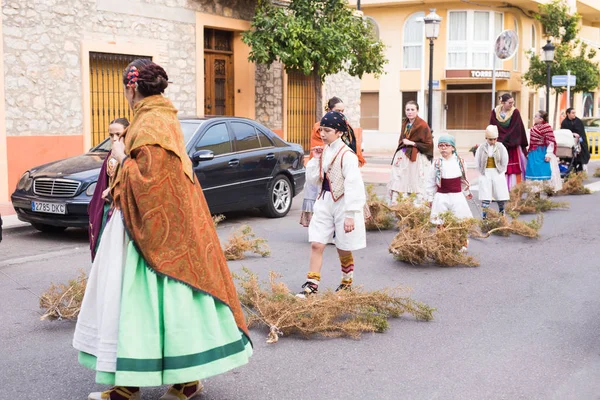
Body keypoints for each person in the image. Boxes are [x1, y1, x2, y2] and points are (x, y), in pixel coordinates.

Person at [74, 59, 252, 400]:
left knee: (140, 301)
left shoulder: (151, 121)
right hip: (152, 222)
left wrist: (120, 158)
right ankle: (137, 384)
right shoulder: (162, 116)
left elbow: (151, 179)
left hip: (150, 230)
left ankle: (165, 383)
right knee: (154, 303)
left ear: (130, 87)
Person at [297, 111, 366, 297]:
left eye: (327, 130)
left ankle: (346, 282)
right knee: (317, 243)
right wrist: (316, 159)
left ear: (339, 132)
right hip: (324, 200)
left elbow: (354, 185)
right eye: (321, 130)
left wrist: (350, 214)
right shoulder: (324, 151)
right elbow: (313, 180)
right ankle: (312, 284)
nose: (322, 134)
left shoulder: (348, 156)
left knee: (343, 246)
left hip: (343, 202)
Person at [299, 97, 365, 227]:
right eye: (337, 110)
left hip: (342, 167)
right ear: (329, 110)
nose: (341, 113)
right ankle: (323, 231)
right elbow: (320, 145)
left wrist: (353, 157)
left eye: (343, 110)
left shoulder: (346, 126)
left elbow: (353, 144)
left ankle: (342, 227)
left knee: (347, 195)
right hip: (325, 169)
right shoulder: (319, 127)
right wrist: (325, 155)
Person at [88, 118, 130, 261]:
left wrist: (113, 190)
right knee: (102, 244)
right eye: (111, 135)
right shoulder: (111, 154)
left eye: (118, 134)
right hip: (108, 206)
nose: (114, 138)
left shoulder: (131, 153)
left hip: (123, 208)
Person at [387, 101, 433, 205]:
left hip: (415, 157)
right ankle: (400, 203)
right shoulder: (405, 123)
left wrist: (412, 143)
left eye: (412, 109)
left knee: (414, 180)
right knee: (399, 178)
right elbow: (402, 139)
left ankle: (415, 205)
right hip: (403, 155)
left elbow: (429, 144)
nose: (410, 112)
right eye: (407, 109)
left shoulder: (422, 125)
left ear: (417, 111)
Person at [425, 134, 473, 226]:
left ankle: (460, 240)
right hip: (441, 197)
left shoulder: (460, 162)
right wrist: (430, 198)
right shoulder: (436, 164)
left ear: (453, 148)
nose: (444, 148)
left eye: (447, 145)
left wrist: (467, 193)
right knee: (441, 222)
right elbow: (431, 182)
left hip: (457, 197)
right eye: (441, 145)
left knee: (459, 221)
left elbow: (463, 180)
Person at [489, 94, 528, 190]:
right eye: (509, 103)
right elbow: (493, 126)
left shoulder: (515, 112)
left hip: (512, 144)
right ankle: (499, 189)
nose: (512, 104)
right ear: (502, 102)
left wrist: (506, 139)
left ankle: (513, 188)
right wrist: (498, 139)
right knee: (499, 165)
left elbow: (516, 128)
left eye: (512, 102)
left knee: (513, 166)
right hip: (499, 143)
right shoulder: (495, 112)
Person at [474, 125, 510, 218]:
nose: (492, 141)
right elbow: (477, 161)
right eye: (490, 139)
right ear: (486, 138)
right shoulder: (481, 148)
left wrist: (501, 172)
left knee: (499, 193)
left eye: (494, 139)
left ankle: (502, 212)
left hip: (497, 172)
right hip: (485, 173)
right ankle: (484, 216)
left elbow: (505, 160)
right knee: (485, 194)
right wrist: (481, 172)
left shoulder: (501, 147)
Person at [526, 111, 563, 192]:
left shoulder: (547, 128)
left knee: (545, 171)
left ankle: (548, 189)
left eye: (536, 116)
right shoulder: (534, 127)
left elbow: (551, 142)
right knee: (534, 171)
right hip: (534, 152)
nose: (534, 118)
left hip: (543, 152)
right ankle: (535, 192)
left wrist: (549, 154)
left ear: (541, 119)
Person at [560, 107, 590, 172]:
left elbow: (581, 132)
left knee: (580, 157)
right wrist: (572, 134)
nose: (574, 114)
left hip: (579, 142)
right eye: (572, 113)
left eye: (574, 113)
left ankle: (580, 169)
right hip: (569, 143)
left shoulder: (578, 121)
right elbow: (564, 132)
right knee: (569, 158)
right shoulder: (564, 122)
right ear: (568, 113)